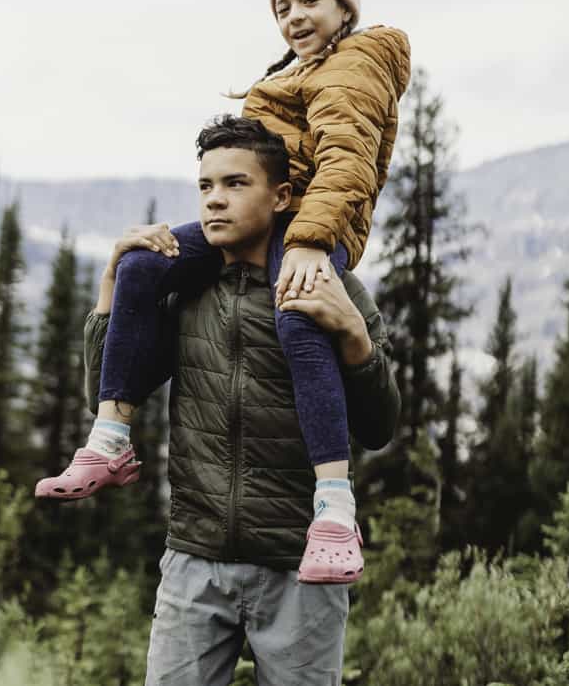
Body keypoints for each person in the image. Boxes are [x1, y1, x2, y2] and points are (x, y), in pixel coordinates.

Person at [36, 0, 410, 582]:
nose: (294, 16)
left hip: (319, 225)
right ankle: (108, 443)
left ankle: (334, 509)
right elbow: (119, 365)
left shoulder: (354, 67)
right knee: (143, 263)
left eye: (309, 0)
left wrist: (311, 244)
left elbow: (347, 161)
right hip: (196, 548)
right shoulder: (288, 75)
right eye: (282, 6)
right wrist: (111, 283)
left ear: (344, 9)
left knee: (296, 310)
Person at [84, 116, 400, 685]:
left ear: (281, 197)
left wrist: (355, 337)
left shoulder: (331, 285)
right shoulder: (184, 289)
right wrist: (113, 283)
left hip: (300, 570)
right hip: (194, 563)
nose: (214, 201)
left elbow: (379, 426)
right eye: (205, 187)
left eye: (235, 184)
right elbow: (105, 396)